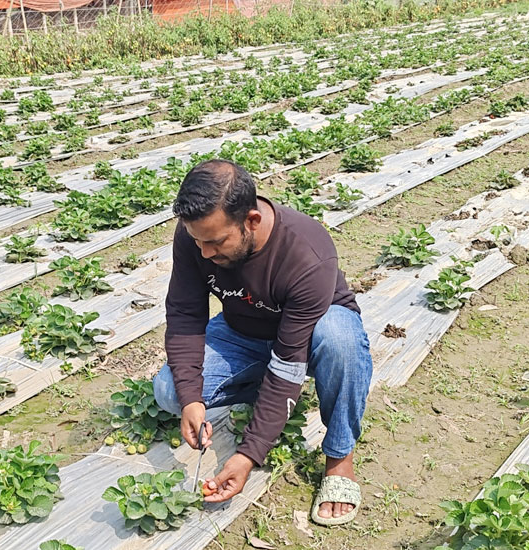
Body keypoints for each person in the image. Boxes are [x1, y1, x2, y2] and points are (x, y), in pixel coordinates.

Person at [152, 158, 373, 526]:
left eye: (216, 242)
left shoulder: (307, 252)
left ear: (251, 221)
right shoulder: (197, 234)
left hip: (312, 333)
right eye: (198, 241)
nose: (205, 253)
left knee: (340, 341)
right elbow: (185, 315)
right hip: (244, 332)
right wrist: (191, 399)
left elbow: (289, 360)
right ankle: (275, 399)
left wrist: (248, 455)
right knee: (169, 392)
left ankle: (339, 459)